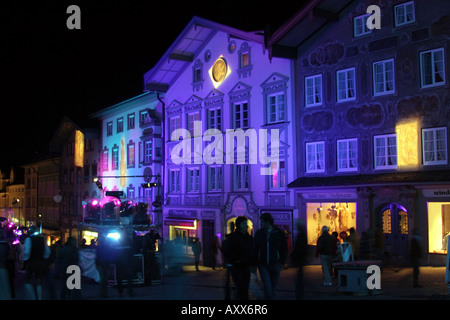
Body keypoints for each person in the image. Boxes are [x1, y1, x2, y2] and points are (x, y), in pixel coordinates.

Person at [254, 213, 288, 300]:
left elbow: (284, 248)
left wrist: (282, 261)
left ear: (267, 222)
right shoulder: (259, 233)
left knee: (272, 288)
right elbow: (255, 248)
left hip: (276, 264)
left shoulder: (278, 233)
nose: (261, 223)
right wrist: (256, 261)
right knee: (268, 288)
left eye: (262, 221)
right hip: (263, 264)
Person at [222, 216, 256, 300]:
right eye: (244, 224)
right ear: (239, 225)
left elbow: (252, 251)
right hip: (236, 266)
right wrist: (236, 259)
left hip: (246, 266)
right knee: (240, 288)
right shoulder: (233, 237)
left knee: (245, 288)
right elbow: (227, 251)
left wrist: (253, 263)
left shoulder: (249, 238)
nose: (246, 226)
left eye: (246, 224)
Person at [23, 226, 51, 300]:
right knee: (38, 280)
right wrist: (44, 258)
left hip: (32, 261)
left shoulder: (28, 239)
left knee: (27, 280)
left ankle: (33, 297)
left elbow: (27, 252)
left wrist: (25, 259)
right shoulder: (42, 239)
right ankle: (39, 297)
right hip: (40, 262)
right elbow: (47, 251)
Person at [290, 220, 307, 300]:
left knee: (300, 277)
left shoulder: (301, 235)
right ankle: (300, 292)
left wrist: (295, 255)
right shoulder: (302, 234)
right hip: (301, 258)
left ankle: (299, 293)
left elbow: (300, 247)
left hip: (300, 258)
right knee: (300, 276)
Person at [0, 228, 12, 300]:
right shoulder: (7, 245)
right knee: (4, 290)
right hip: (4, 268)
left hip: (3, 268)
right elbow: (10, 257)